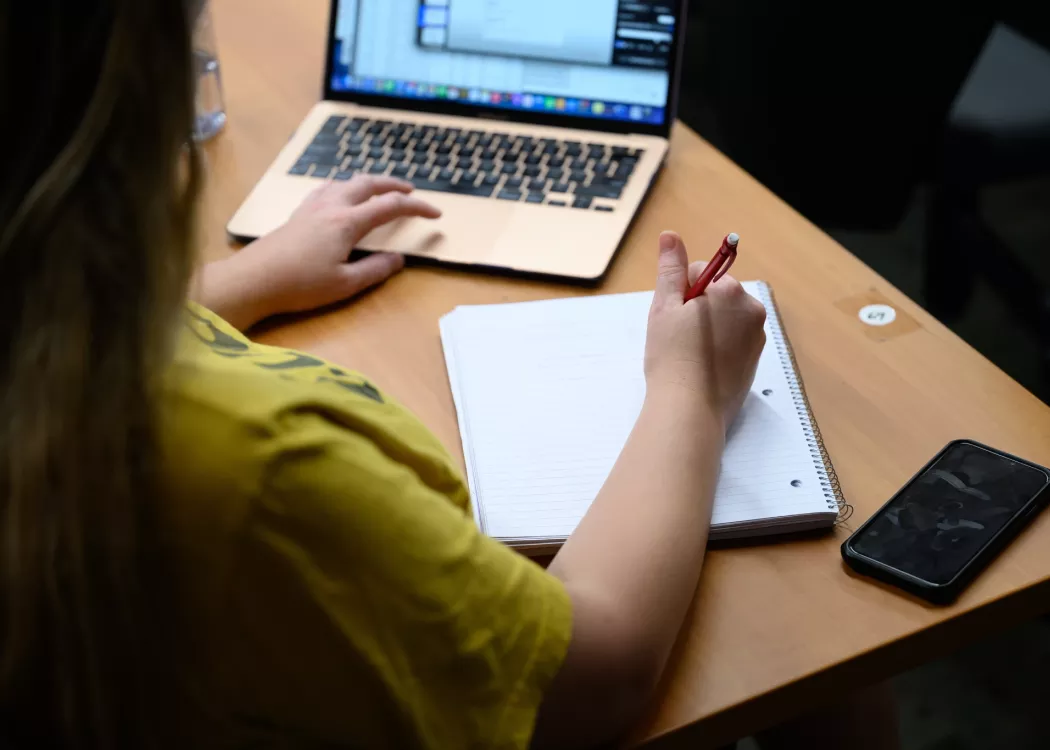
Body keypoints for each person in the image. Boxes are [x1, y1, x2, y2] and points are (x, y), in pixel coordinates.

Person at [0, 2, 896, 749]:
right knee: (824, 651)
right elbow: (592, 680)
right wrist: (688, 395)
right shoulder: (259, 466)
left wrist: (238, 281)